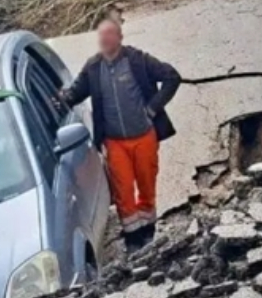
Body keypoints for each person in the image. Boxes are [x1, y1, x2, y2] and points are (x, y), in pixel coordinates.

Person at [59, 19, 181, 251]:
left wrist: (152, 109)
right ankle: (133, 241)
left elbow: (171, 77)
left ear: (119, 38)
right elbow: (75, 94)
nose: (104, 40)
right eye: (101, 36)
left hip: (144, 137)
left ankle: (149, 233)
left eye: (109, 35)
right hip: (115, 143)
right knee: (123, 192)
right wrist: (59, 98)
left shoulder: (137, 60)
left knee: (146, 186)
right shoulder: (93, 68)